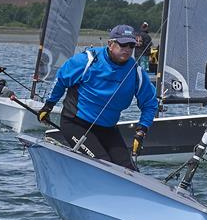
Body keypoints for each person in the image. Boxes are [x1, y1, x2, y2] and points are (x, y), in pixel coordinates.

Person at [37, 24, 158, 170]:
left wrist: (141, 130)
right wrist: (48, 106)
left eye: (131, 45)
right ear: (110, 44)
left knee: (129, 171)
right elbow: (61, 79)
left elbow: (150, 104)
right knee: (104, 165)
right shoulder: (87, 61)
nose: (127, 49)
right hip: (76, 123)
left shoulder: (136, 72)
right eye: (123, 44)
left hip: (107, 128)